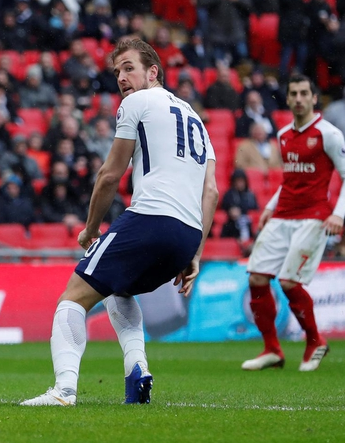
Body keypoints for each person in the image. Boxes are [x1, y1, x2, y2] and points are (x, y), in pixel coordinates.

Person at [21, 38, 218, 407]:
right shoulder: (196, 120)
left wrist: (91, 228)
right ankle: (137, 371)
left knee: (72, 299)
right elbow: (211, 193)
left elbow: (110, 174)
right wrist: (196, 252)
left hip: (151, 218)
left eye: (129, 68)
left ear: (153, 72)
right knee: (119, 289)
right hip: (187, 235)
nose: (122, 78)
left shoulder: (136, 103)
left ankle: (63, 391)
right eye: (117, 72)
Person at [242, 74, 345, 373]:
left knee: (290, 281)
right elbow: (290, 180)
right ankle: (272, 349)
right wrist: (269, 207)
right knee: (256, 277)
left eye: (304, 93)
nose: (298, 99)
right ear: (289, 98)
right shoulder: (283, 135)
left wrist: (338, 214)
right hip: (283, 215)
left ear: (314, 98)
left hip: (314, 216)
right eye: (293, 93)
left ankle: (315, 340)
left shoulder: (328, 134)